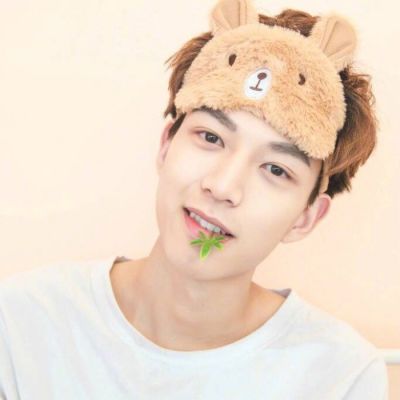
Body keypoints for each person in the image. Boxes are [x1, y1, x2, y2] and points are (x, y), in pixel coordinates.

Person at [0, 0, 389, 398]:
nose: (222, 187)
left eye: (276, 169)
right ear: (167, 145)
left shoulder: (342, 377)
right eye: (211, 138)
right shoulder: (19, 325)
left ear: (306, 217)